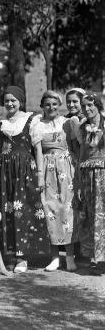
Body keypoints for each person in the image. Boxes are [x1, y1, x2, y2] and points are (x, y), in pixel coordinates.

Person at [0, 86, 49, 273]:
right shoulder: (0, 123)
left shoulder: (30, 121)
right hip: (4, 173)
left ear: (20, 102)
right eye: (7, 100)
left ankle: (22, 257)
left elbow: (38, 150)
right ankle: (8, 254)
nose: (9, 103)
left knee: (23, 209)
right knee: (6, 209)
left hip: (25, 170)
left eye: (13, 100)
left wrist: (40, 175)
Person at [31, 90, 77, 272]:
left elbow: (74, 146)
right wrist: (40, 176)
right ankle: (55, 257)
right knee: (50, 210)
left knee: (68, 210)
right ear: (42, 106)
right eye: (48, 104)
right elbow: (38, 153)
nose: (51, 108)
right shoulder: (37, 125)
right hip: (48, 171)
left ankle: (71, 257)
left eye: (55, 104)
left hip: (66, 168)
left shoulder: (66, 123)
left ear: (59, 106)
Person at [75, 93, 105, 275]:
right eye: (85, 105)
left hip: (104, 172)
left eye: (91, 105)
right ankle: (97, 258)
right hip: (87, 175)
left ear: (98, 105)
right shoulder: (82, 126)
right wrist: (78, 182)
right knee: (92, 216)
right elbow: (81, 154)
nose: (87, 109)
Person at [65, 88, 86, 159]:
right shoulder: (64, 120)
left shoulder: (87, 120)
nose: (71, 105)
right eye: (68, 101)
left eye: (75, 101)